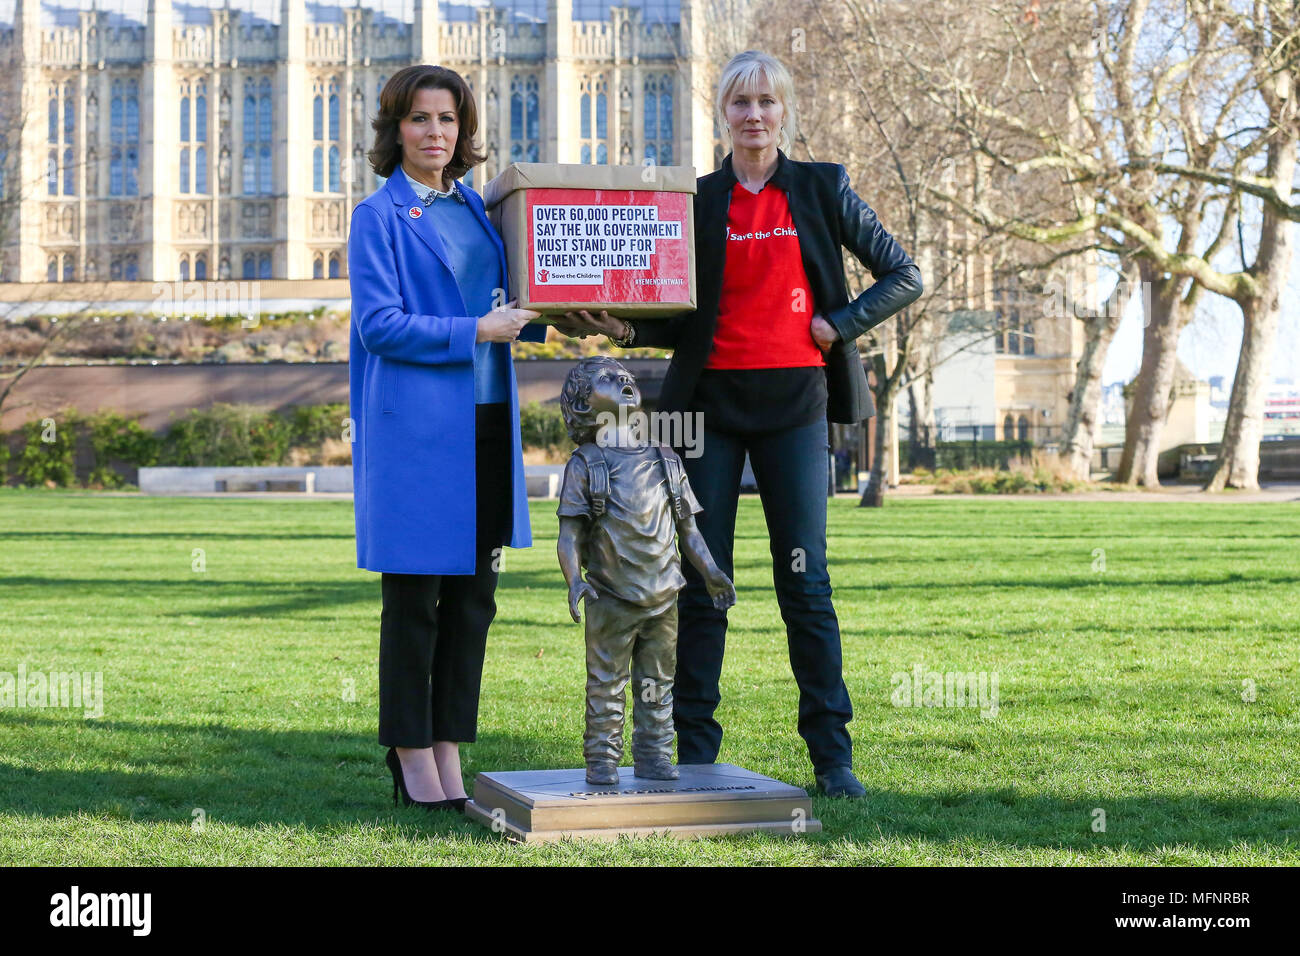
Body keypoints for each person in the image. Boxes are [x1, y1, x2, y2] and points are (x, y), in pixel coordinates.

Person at [554, 50, 923, 797]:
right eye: (739, 103)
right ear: (722, 114)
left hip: (795, 405)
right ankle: (693, 749)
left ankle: (832, 756)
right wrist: (623, 330)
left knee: (805, 582)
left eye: (765, 101)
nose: (753, 114)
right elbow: (683, 318)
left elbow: (904, 273)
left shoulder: (821, 188)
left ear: (784, 110)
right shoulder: (697, 202)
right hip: (704, 413)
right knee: (697, 576)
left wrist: (839, 324)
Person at [347, 64, 544, 811]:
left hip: (488, 423)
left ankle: (448, 749)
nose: (436, 133)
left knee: (473, 602)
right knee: (416, 601)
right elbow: (379, 325)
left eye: (448, 120)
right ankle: (407, 754)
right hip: (419, 437)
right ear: (396, 128)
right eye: (421, 119)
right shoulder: (379, 216)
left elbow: (517, 302)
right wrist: (474, 330)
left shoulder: (475, 208)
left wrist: (597, 314)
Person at [554, 357, 735, 786]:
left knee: (658, 684)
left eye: (626, 377)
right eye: (607, 379)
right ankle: (602, 758)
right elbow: (569, 535)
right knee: (605, 684)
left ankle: (654, 754)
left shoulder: (666, 460)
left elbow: (688, 529)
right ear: (583, 402)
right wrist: (574, 579)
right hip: (609, 596)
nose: (623, 381)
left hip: (664, 596)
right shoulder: (586, 463)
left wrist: (710, 571)